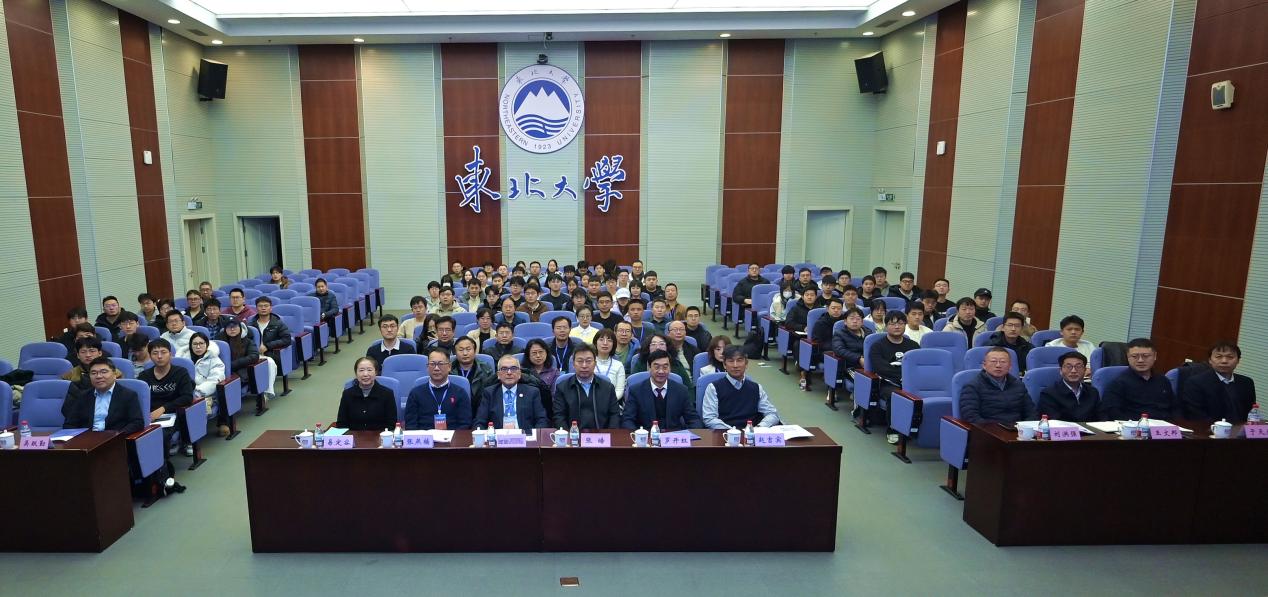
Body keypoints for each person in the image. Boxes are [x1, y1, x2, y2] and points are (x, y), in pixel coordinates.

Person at [869, 312, 920, 442]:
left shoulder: (914, 346)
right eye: (892, 324)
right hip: (887, 383)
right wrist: (902, 376)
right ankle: (893, 429)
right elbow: (881, 368)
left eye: (900, 323)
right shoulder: (877, 346)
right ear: (886, 326)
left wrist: (908, 378)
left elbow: (919, 366)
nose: (897, 327)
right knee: (895, 395)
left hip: (911, 382)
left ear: (905, 325)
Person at [621, 349, 702, 431]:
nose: (661, 371)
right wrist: (639, 435)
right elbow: (627, 420)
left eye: (665, 367)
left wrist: (688, 434)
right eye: (656, 367)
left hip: (673, 436)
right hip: (647, 436)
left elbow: (693, 419)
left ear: (670, 368)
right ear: (649, 368)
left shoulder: (681, 390)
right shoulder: (636, 391)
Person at [1099, 338, 1178, 421]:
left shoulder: (1163, 381)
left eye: (1146, 356)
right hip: (1134, 426)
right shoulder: (1118, 384)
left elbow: (1175, 409)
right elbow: (1113, 414)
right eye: (1134, 356)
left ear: (1155, 356)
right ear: (1128, 357)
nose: (1140, 360)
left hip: (1163, 426)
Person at [138, 338, 194, 454]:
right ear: (150, 356)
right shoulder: (144, 376)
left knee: (160, 435)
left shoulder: (181, 372)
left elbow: (187, 397)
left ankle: (162, 463)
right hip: (150, 416)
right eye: (155, 353)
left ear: (170, 354)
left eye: (163, 352)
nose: (159, 356)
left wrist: (163, 409)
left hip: (174, 414)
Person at [702, 346, 779, 429]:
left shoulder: (756, 388)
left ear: (746, 364)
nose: (735, 365)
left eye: (739, 360)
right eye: (731, 361)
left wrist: (758, 427)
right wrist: (734, 432)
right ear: (724, 365)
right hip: (724, 433)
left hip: (751, 433)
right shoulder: (713, 388)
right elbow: (709, 419)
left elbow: (772, 414)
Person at [61, 356, 143, 434]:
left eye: (104, 372)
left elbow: (137, 422)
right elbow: (70, 424)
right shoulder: (83, 396)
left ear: (114, 374)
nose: (98, 376)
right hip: (87, 440)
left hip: (115, 439)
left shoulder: (128, 395)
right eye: (94, 373)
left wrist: (119, 435)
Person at [1181, 341, 1257, 423]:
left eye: (1230, 357)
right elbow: (1197, 416)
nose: (1224, 361)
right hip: (1211, 429)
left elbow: (1251, 413)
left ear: (1238, 361)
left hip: (1241, 429)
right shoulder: (1195, 383)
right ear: (1210, 360)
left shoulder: (1247, 382)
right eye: (1218, 356)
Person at [958, 347, 1037, 425]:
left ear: (1010, 366)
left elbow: (1032, 413)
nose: (998, 365)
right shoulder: (972, 387)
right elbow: (971, 417)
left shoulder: (1018, 385)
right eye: (993, 361)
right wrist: (995, 430)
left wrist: (1025, 428)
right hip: (988, 430)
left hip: (1018, 430)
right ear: (984, 365)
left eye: (1003, 362)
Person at [552, 344, 621, 429]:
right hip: (573, 435)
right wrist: (568, 435)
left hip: (602, 435)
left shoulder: (608, 387)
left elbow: (614, 415)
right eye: (580, 361)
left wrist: (610, 434)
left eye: (588, 361)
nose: (584, 365)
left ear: (595, 363)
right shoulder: (562, 387)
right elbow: (559, 416)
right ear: (573, 364)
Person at [405, 348, 473, 430]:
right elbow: (411, 425)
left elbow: (465, 424)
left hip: (453, 436)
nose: (436, 368)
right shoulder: (416, 393)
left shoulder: (460, 393)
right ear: (427, 367)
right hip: (424, 437)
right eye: (432, 364)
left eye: (440, 364)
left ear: (449, 367)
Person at [475, 355, 549, 430]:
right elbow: (480, 421)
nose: (509, 372)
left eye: (513, 368)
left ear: (519, 374)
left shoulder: (532, 392)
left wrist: (535, 436)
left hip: (525, 435)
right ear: (498, 375)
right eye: (504, 369)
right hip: (497, 436)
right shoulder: (489, 393)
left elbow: (541, 420)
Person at [336, 357, 399, 431]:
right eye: (361, 370)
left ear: (376, 372)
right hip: (354, 436)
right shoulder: (347, 394)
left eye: (369, 370)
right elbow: (341, 423)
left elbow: (391, 424)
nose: (365, 374)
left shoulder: (387, 394)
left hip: (380, 436)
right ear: (356, 373)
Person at [1038, 351, 1101, 422]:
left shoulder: (1093, 392)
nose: (1073, 371)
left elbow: (1101, 419)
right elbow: (1054, 422)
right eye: (1068, 367)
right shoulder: (1049, 394)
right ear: (1060, 370)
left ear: (1085, 370)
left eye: (1078, 366)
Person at [250, 297, 291, 403]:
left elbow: (287, 339)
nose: (263, 308)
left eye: (266, 306)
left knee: (269, 363)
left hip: (271, 353)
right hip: (254, 354)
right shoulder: (251, 324)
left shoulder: (277, 323)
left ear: (270, 308)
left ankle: (267, 393)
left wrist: (267, 346)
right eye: (260, 306)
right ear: (256, 308)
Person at [828, 307, 870, 411]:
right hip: (850, 366)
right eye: (852, 318)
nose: (855, 321)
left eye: (858, 318)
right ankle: (858, 411)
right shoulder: (840, 334)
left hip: (869, 365)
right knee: (863, 381)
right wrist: (858, 358)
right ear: (845, 322)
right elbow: (839, 350)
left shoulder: (869, 333)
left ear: (862, 321)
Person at [218, 321, 262, 414]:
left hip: (240, 371)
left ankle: (228, 413)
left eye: (235, 326)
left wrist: (232, 365)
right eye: (229, 327)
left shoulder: (247, 341)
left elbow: (254, 356)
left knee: (228, 385)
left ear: (240, 328)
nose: (232, 329)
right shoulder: (220, 343)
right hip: (221, 370)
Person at [451, 336, 496, 416]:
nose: (465, 353)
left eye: (468, 349)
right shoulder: (449, 370)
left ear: (475, 351)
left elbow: (490, 394)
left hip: (480, 411)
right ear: (455, 353)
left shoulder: (486, 369)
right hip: (454, 411)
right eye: (461, 350)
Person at [188, 332, 224, 420]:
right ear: (191, 346)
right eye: (195, 344)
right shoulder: (185, 360)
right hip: (187, 395)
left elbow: (213, 382)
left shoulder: (215, 361)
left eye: (201, 343)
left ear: (207, 345)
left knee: (197, 414)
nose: (198, 347)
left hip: (208, 397)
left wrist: (196, 393)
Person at [522, 339, 560, 415]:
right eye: (534, 353)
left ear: (546, 353)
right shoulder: (522, 372)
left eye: (541, 352)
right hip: (526, 409)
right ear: (528, 355)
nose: (538, 356)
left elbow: (554, 396)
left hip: (547, 409)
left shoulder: (554, 372)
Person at [592, 329, 628, 403]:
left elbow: (620, 390)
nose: (605, 343)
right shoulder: (589, 363)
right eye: (601, 340)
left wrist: (608, 401)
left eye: (609, 340)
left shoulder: (618, 365)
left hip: (612, 403)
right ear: (595, 343)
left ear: (613, 345)